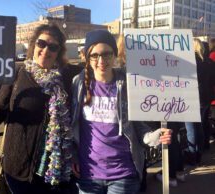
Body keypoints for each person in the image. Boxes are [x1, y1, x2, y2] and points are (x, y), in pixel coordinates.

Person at [0, 24, 74, 194]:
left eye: (53, 46)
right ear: (33, 46)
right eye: (41, 43)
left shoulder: (67, 77)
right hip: (20, 168)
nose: (45, 50)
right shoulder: (17, 73)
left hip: (59, 170)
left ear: (59, 51)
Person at [71, 30, 172, 194]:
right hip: (88, 174)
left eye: (106, 54)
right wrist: (73, 155)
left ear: (114, 54)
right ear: (87, 57)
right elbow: (73, 125)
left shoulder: (126, 83)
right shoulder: (79, 83)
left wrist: (153, 137)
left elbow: (138, 126)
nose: (101, 60)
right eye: (95, 55)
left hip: (123, 174)